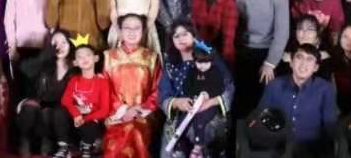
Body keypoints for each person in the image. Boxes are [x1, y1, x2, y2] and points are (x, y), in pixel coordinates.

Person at [229, 0, 289, 119]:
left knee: (266, 100)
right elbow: (230, 26)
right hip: (242, 51)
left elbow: (282, 31)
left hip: (268, 51)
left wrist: (270, 63)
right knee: (240, 101)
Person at [159, 21, 233, 158]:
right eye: (176, 36)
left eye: (185, 34)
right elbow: (163, 93)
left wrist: (209, 102)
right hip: (180, 114)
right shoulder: (170, 63)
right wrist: (177, 102)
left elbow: (228, 86)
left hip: (209, 112)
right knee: (171, 141)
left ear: (193, 36)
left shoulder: (208, 55)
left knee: (200, 132)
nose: (181, 39)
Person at [257, 43, 338, 154]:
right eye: (299, 57)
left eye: (309, 59)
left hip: (311, 151)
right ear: (291, 63)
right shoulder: (274, 85)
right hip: (277, 150)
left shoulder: (325, 89)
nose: (303, 63)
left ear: (316, 68)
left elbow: (330, 126)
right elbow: (261, 118)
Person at [102, 13, 161, 158]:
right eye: (127, 28)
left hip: (143, 114)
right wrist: (122, 111)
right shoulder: (109, 56)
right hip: (116, 114)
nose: (132, 32)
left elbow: (158, 90)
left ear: (143, 31)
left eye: (136, 28)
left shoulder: (151, 57)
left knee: (134, 131)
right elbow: (105, 89)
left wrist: (137, 110)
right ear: (120, 31)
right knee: (122, 135)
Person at [18, 30, 75, 157]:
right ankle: (25, 141)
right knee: (29, 107)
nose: (59, 46)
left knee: (50, 111)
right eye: (55, 43)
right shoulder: (44, 63)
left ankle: (48, 141)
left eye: (63, 43)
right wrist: (47, 54)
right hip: (41, 104)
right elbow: (24, 68)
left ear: (70, 44)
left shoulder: (75, 66)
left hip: (62, 113)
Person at [60, 37, 111, 158]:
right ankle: (64, 147)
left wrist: (85, 118)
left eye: (88, 55)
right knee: (59, 113)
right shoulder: (74, 80)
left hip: (90, 122)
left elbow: (104, 110)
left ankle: (86, 146)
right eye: (80, 57)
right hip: (74, 120)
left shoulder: (103, 82)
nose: (84, 59)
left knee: (91, 127)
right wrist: (76, 114)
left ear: (96, 58)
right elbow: (65, 100)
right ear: (75, 62)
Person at [190, 0, 238, 66]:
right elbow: (193, 27)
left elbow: (229, 37)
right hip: (199, 50)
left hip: (219, 52)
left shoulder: (229, 2)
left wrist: (225, 61)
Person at [274, 15, 332, 81]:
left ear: (318, 34)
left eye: (310, 29)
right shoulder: (286, 52)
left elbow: (323, 82)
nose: (304, 33)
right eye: (300, 28)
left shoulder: (325, 56)